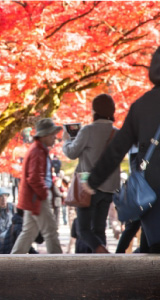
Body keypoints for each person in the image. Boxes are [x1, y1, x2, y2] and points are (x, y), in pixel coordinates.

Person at [85, 47, 160, 254]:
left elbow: (117, 148)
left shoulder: (142, 106)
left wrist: (93, 181)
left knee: (151, 250)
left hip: (153, 191)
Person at [63, 94, 120, 253]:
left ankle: (102, 253)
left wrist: (67, 139)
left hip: (88, 187)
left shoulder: (87, 130)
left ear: (94, 110)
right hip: (109, 188)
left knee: (84, 229)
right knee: (99, 229)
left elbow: (72, 153)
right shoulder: (117, 133)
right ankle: (100, 264)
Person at [11, 118, 63, 254]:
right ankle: (60, 265)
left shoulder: (38, 150)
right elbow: (34, 178)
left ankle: (12, 262)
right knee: (51, 232)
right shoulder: (37, 152)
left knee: (28, 232)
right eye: (52, 134)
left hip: (33, 198)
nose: (54, 138)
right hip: (38, 199)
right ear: (45, 135)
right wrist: (44, 194)